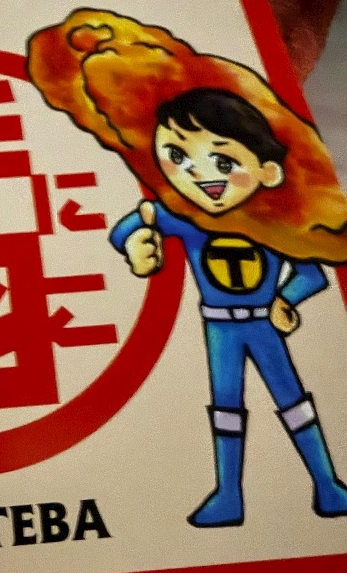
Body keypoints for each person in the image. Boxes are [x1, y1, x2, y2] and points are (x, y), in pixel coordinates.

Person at [110, 88, 347, 527]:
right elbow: (131, 224)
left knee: (294, 402)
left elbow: (313, 273)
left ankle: (327, 485)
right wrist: (135, 246)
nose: (200, 175)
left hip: (263, 325)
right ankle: (228, 495)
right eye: (178, 158)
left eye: (223, 162)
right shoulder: (186, 218)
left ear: (269, 172)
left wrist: (285, 299)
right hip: (220, 328)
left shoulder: (273, 224)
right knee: (226, 408)